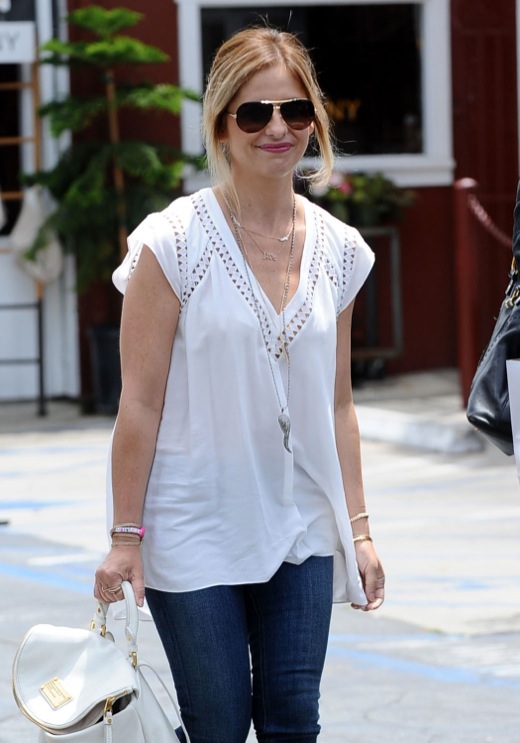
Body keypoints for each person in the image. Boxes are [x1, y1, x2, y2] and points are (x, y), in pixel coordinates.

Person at [94, 25, 385, 743]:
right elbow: (140, 402)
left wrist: (359, 531)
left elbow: (339, 404)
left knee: (293, 719)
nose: (277, 129)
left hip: (301, 523)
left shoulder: (341, 250)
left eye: (294, 110)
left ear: (314, 121)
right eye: (254, 113)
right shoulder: (173, 241)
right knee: (218, 723)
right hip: (194, 522)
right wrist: (125, 537)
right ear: (222, 126)